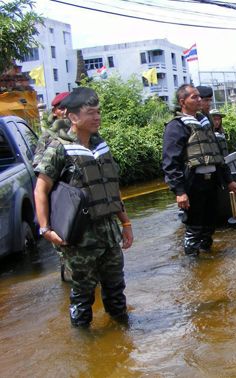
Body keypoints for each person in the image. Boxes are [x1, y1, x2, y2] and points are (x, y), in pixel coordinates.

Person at [33, 87, 134, 327]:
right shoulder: (59, 148)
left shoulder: (101, 147)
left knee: (116, 291)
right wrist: (46, 230)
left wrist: (126, 223)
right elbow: (41, 189)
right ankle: (85, 345)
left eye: (98, 112)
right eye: (90, 113)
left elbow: (110, 188)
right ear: (74, 117)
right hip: (79, 240)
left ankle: (121, 337)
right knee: (82, 296)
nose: (97, 117)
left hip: (109, 235)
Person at [162, 84, 236, 256]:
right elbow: (170, 162)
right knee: (194, 229)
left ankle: (207, 264)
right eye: (194, 97)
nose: (199, 100)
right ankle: (193, 268)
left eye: (200, 97)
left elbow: (217, 155)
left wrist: (229, 181)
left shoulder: (205, 123)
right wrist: (180, 191)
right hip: (193, 185)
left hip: (211, 182)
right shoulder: (176, 127)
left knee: (209, 226)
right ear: (183, 101)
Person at [33, 92, 71, 168]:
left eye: (70, 107)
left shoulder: (82, 131)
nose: (65, 112)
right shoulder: (47, 136)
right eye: (62, 108)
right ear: (54, 112)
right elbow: (37, 163)